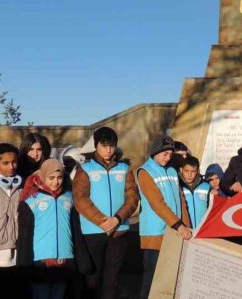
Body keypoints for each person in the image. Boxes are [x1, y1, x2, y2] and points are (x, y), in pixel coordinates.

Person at [72, 126, 138, 299]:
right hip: (93, 232)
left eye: (112, 145)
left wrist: (117, 219)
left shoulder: (124, 168)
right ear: (96, 146)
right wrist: (103, 221)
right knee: (92, 280)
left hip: (119, 231)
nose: (108, 150)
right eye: (104, 145)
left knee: (112, 280)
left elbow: (132, 198)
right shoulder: (85, 169)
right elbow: (81, 200)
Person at [137, 135, 192, 298]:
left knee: (170, 278)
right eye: (164, 154)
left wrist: (186, 224)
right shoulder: (145, 172)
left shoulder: (172, 170)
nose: (167, 158)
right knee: (152, 279)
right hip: (155, 233)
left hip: (175, 231)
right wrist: (179, 225)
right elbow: (157, 203)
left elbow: (181, 199)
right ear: (155, 151)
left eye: (170, 154)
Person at [18, 158, 76, 299]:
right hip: (41, 260)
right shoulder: (32, 199)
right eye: (51, 178)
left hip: (64, 259)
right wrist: (24, 264)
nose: (56, 182)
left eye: (59, 178)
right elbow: (25, 235)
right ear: (43, 176)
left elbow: (74, 230)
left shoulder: (68, 197)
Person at [179, 155, 210, 229]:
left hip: (203, 230)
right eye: (186, 171)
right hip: (185, 231)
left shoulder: (206, 186)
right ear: (181, 170)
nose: (189, 175)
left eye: (193, 171)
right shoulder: (177, 186)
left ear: (197, 171)